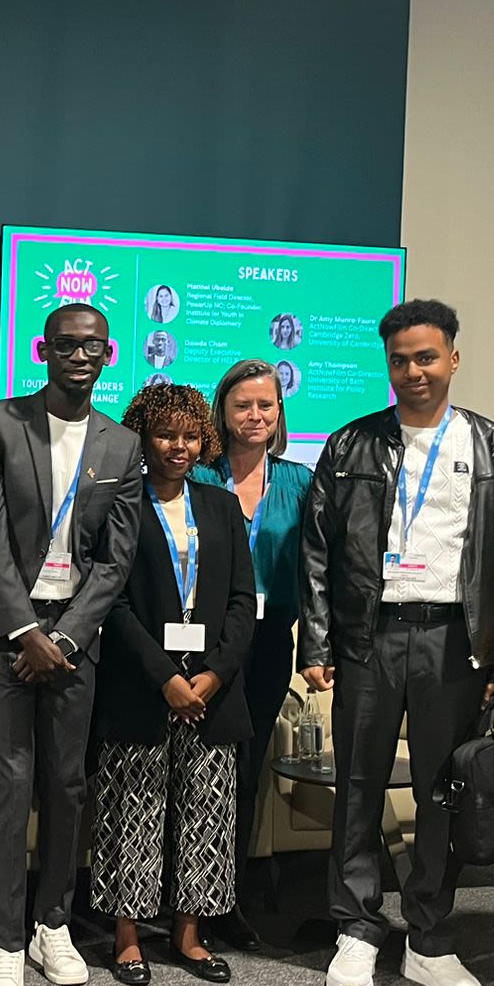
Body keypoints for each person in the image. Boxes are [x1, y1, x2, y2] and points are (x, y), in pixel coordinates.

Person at [299, 298, 494, 986]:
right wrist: (317, 640)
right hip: (371, 635)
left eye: (426, 357)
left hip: (454, 641)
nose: (413, 371)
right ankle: (358, 929)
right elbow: (316, 549)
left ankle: (429, 937)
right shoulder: (349, 446)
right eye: (400, 359)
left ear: (453, 359)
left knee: (443, 791)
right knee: (360, 786)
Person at [0, 302, 142, 986]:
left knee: (66, 786)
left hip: (73, 641)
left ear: (109, 353)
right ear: (43, 350)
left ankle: (51, 923)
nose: (79, 356)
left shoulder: (121, 446)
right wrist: (24, 631)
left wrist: (65, 637)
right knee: (7, 784)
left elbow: (115, 560)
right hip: (6, 636)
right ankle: (4, 942)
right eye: (66, 345)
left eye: (91, 346)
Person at [91, 384, 256, 986]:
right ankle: (128, 938)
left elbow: (243, 602)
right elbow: (110, 603)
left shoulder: (220, 508)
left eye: (189, 435)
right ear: (143, 438)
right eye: (165, 435)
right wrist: (165, 676)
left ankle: (189, 935)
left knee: (206, 815)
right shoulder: (120, 504)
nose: (178, 446)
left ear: (204, 439)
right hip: (141, 686)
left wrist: (211, 675)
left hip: (212, 690)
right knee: (131, 813)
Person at [191, 358, 314, 949]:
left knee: (245, 771)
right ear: (224, 413)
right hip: (203, 644)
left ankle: (226, 899)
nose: (255, 415)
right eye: (243, 405)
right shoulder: (197, 477)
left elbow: (318, 571)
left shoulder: (300, 482)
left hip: (268, 645)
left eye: (267, 405)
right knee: (194, 772)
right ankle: (178, 898)